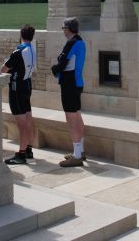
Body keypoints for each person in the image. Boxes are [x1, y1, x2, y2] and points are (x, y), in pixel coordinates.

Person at [51, 17, 87, 167]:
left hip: (69, 84)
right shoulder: (80, 41)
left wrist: (54, 69)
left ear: (69, 29)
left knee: (71, 120)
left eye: (64, 28)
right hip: (76, 83)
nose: (63, 31)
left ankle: (77, 155)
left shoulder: (72, 43)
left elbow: (63, 63)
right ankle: (80, 151)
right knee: (77, 116)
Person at [2, 25, 37, 165]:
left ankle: (21, 155)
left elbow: (4, 69)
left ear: (21, 35)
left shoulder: (18, 51)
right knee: (28, 119)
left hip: (17, 89)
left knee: (21, 124)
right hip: (27, 86)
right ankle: (28, 149)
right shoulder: (32, 49)